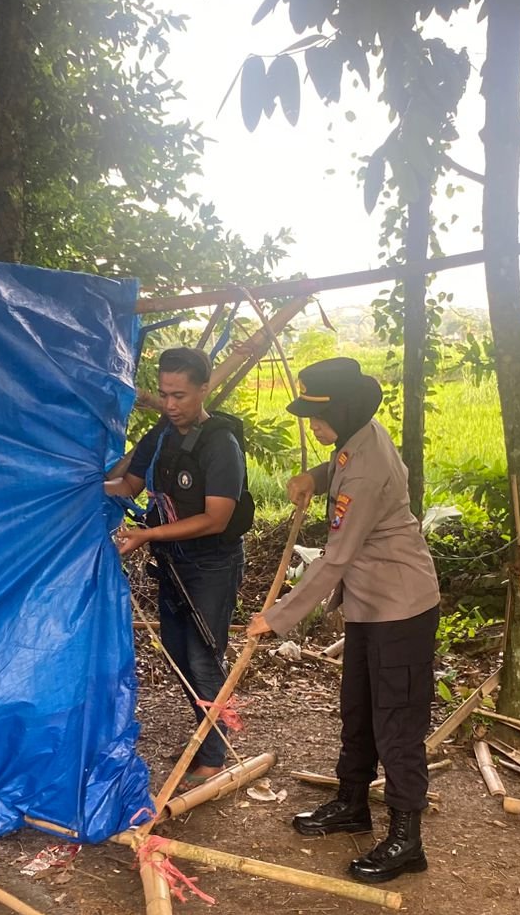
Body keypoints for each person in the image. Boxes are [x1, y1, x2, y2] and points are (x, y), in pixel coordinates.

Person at [245, 357, 440, 883]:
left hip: (400, 608)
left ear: (346, 410)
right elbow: (343, 464)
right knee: (357, 710)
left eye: (317, 419)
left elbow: (336, 557)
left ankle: (406, 840)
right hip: (370, 607)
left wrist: (277, 617)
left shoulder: (370, 467)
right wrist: (315, 473)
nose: (314, 428)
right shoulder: (358, 439)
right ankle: (352, 803)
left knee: (396, 724)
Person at [107, 346, 253, 783]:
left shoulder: (221, 444)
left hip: (211, 566)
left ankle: (212, 756)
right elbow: (128, 484)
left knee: (204, 657)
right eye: (165, 394)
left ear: (204, 390)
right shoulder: (162, 435)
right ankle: (209, 736)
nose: (170, 405)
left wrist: (147, 535)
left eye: (181, 396)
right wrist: (82, 486)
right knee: (178, 655)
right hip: (172, 564)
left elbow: (216, 518)